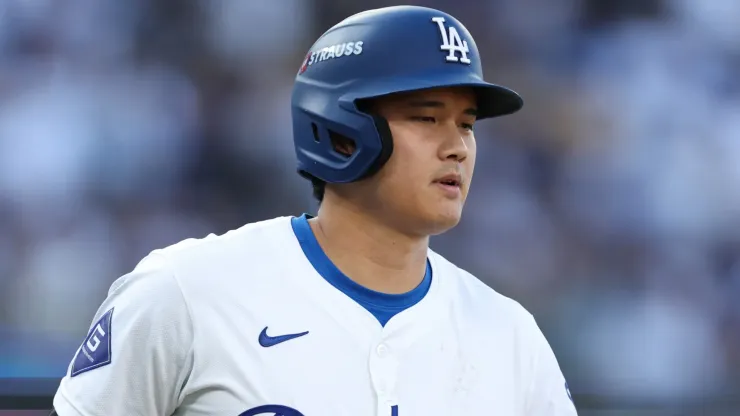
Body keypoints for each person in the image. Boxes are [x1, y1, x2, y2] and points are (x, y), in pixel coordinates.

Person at [51, 5, 577, 416]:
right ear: (340, 130)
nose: (458, 146)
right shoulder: (186, 294)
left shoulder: (510, 337)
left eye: (466, 123)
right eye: (425, 117)